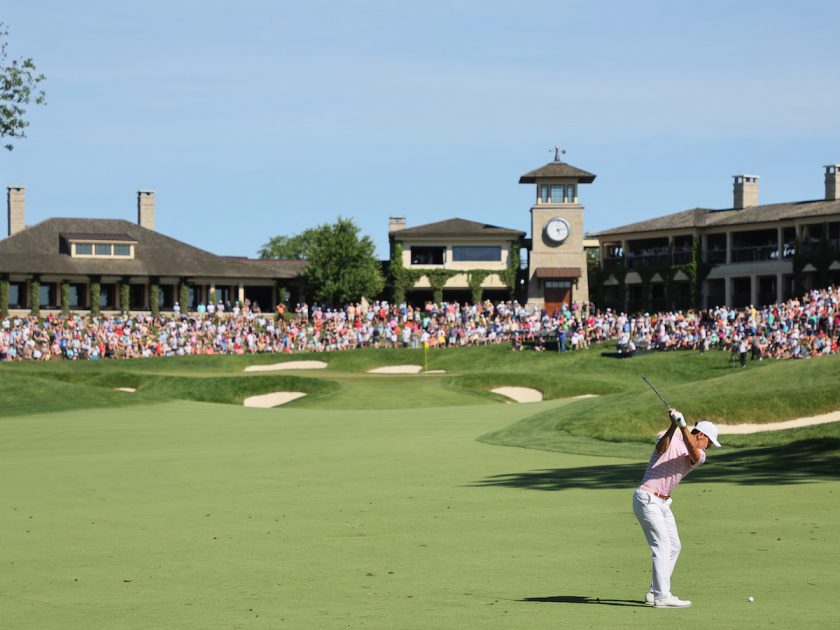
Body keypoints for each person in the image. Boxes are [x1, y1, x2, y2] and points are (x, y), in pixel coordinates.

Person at [632, 408, 721, 608]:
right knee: (662, 546)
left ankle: (655, 591)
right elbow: (662, 448)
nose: (709, 448)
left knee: (674, 546)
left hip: (663, 503)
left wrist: (682, 425)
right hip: (647, 498)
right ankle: (663, 597)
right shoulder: (669, 437)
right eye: (709, 442)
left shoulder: (699, 455)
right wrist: (673, 425)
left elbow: (692, 450)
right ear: (701, 435)